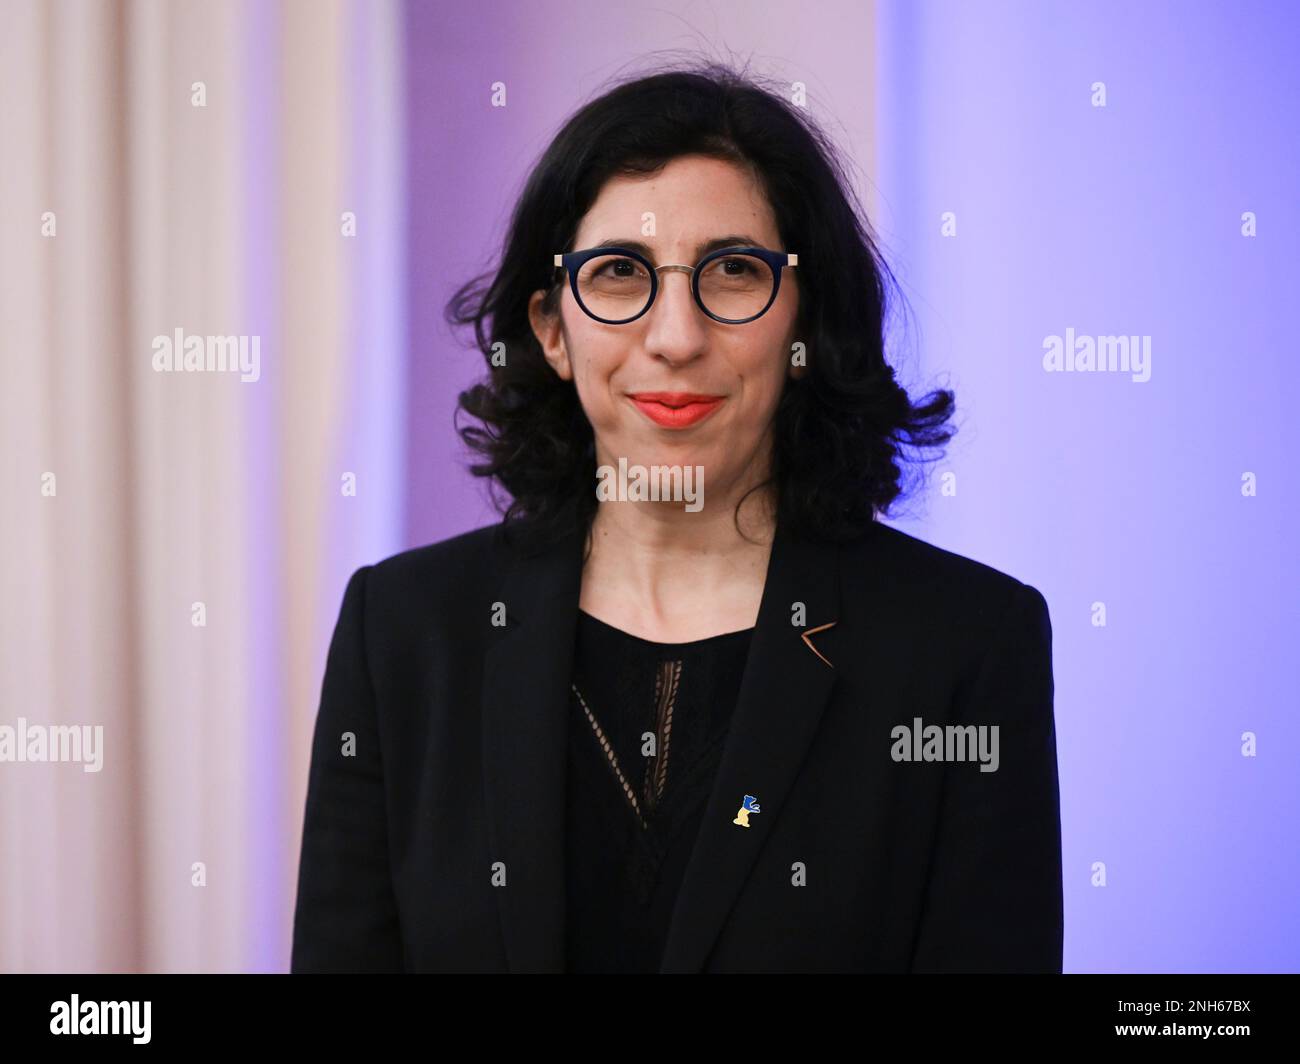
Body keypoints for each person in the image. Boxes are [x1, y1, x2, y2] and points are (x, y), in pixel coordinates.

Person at [290, 61, 1063, 973]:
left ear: (804, 321)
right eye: (619, 274)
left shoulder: (966, 646)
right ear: (550, 330)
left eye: (732, 272)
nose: (676, 336)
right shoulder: (406, 633)